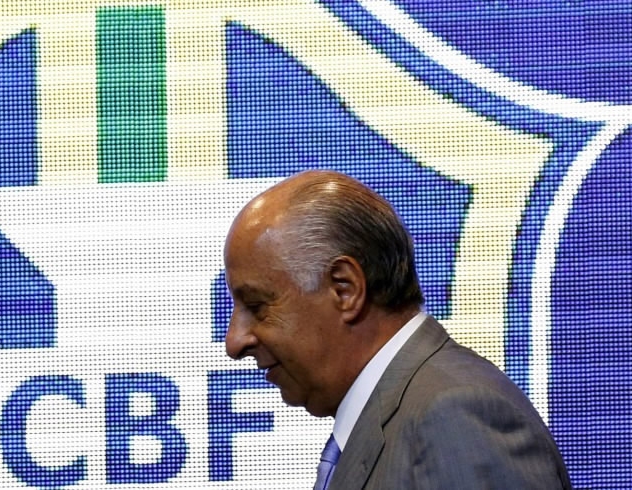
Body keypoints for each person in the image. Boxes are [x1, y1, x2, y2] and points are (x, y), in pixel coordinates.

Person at [223, 170, 571, 489]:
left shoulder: (454, 417)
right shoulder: (406, 415)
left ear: (345, 289)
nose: (234, 342)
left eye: (257, 305)